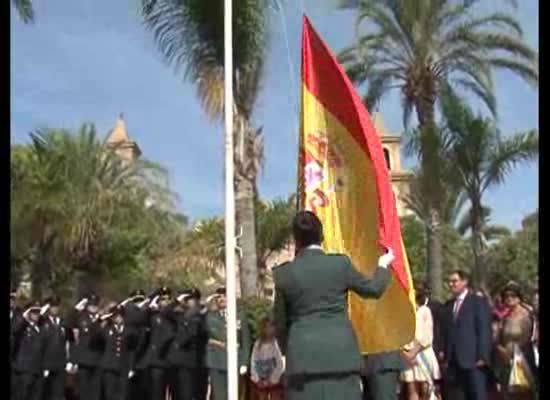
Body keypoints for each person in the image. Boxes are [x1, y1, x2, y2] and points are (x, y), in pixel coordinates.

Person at [272, 210, 394, 400]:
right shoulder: (340, 264)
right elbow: (374, 289)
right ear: (321, 236)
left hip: (302, 359)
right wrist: (383, 265)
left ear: (296, 240)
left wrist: (290, 350)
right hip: (342, 356)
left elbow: (279, 324)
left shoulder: (284, 274)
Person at [442, 270, 492, 400]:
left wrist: (483, 356)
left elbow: (484, 330)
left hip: (473, 360)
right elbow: (447, 332)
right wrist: (446, 355)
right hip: (454, 363)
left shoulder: (477, 302)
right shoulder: (448, 305)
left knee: (477, 395)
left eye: (454, 281)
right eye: (449, 281)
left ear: (464, 282)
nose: (451, 284)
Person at [206, 287, 251, 400]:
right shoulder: (211, 316)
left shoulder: (240, 315)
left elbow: (245, 339)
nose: (222, 299)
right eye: (219, 297)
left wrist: (244, 362)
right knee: (220, 396)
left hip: (235, 360)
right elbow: (212, 332)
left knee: (235, 395)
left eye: (224, 296)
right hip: (217, 360)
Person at [494, 282, 536, 400]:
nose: (509, 299)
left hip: (522, 359)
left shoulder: (526, 315)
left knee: (522, 392)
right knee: (507, 393)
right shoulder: (505, 317)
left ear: (519, 297)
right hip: (505, 361)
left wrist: (513, 354)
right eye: (506, 296)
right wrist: (500, 348)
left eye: (513, 296)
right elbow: (499, 338)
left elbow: (527, 337)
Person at [400, 283, 441, 400]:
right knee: (411, 388)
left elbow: (427, 335)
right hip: (407, 355)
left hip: (422, 353)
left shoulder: (425, 311)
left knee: (425, 388)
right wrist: (406, 353)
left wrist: (415, 351)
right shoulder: (403, 312)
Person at [99, 305, 138, 400]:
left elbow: (131, 350)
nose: (119, 318)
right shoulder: (106, 329)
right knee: (110, 394)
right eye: (116, 316)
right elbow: (94, 335)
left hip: (123, 367)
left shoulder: (130, 331)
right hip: (109, 367)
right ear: (112, 317)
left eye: (121, 316)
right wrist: (101, 320)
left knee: (122, 395)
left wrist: (131, 367)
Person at [70, 293, 104, 400]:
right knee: (84, 390)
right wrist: (75, 309)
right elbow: (68, 324)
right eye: (91, 305)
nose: (93, 307)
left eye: (95, 305)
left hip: (98, 359)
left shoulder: (102, 319)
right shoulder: (81, 318)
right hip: (83, 358)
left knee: (95, 391)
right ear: (87, 305)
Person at [12, 302, 46, 400]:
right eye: (34, 312)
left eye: (38, 312)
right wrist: (24, 317)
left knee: (36, 395)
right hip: (25, 369)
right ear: (28, 313)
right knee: (23, 395)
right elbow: (15, 330)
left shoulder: (40, 328)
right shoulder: (22, 327)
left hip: (38, 368)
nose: (36, 315)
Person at [40, 296, 68, 400]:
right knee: (44, 392)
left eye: (57, 307)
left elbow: (67, 342)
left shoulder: (63, 322)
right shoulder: (43, 321)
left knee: (57, 393)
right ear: (48, 308)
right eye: (52, 307)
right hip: (46, 363)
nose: (55, 309)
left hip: (60, 363)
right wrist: (43, 309)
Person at [250, 318, 285, 400]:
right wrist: (257, 379)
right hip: (260, 379)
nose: (269, 329)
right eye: (267, 327)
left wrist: (273, 378)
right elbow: (253, 362)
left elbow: (280, 363)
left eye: (271, 326)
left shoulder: (275, 344)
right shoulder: (257, 344)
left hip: (273, 381)